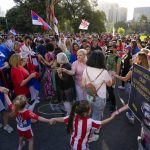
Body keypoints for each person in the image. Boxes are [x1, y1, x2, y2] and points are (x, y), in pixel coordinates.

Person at [50, 100, 116, 150]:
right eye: (90, 109)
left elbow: (63, 119)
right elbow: (102, 123)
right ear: (85, 113)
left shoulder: (73, 116)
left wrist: (55, 119)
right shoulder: (90, 122)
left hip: (73, 143)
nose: (91, 109)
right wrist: (111, 118)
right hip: (82, 147)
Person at [82, 50, 112, 141]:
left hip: (89, 95)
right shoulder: (104, 72)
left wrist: (89, 85)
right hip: (100, 97)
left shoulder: (86, 69)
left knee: (90, 113)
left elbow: (83, 84)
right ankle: (93, 134)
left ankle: (89, 129)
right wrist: (110, 75)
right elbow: (109, 84)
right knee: (97, 116)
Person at [115, 52, 149, 124]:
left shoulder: (134, 67)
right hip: (142, 90)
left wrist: (116, 75)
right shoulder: (147, 69)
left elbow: (125, 79)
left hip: (132, 87)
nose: (134, 58)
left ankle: (131, 115)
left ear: (139, 60)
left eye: (136, 57)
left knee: (131, 102)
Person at [106, 45, 121, 111]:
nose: (111, 49)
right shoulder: (107, 56)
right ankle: (110, 98)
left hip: (113, 74)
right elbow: (106, 66)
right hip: (107, 73)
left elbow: (118, 69)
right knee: (108, 88)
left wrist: (115, 78)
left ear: (116, 49)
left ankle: (114, 104)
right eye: (110, 48)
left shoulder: (117, 58)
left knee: (110, 89)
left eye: (113, 48)